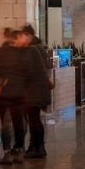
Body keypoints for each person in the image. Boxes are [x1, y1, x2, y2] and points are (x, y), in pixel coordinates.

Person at [0, 28, 28, 166]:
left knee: (5, 124)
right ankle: (19, 151)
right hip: (19, 94)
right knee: (19, 123)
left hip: (3, 94)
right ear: (15, 38)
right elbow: (27, 72)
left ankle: (7, 153)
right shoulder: (22, 54)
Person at [15, 26, 51, 160]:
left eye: (20, 37)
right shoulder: (39, 48)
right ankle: (37, 146)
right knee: (35, 119)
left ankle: (38, 147)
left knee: (34, 120)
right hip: (39, 90)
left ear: (27, 35)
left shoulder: (31, 50)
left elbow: (27, 71)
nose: (18, 40)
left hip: (33, 91)